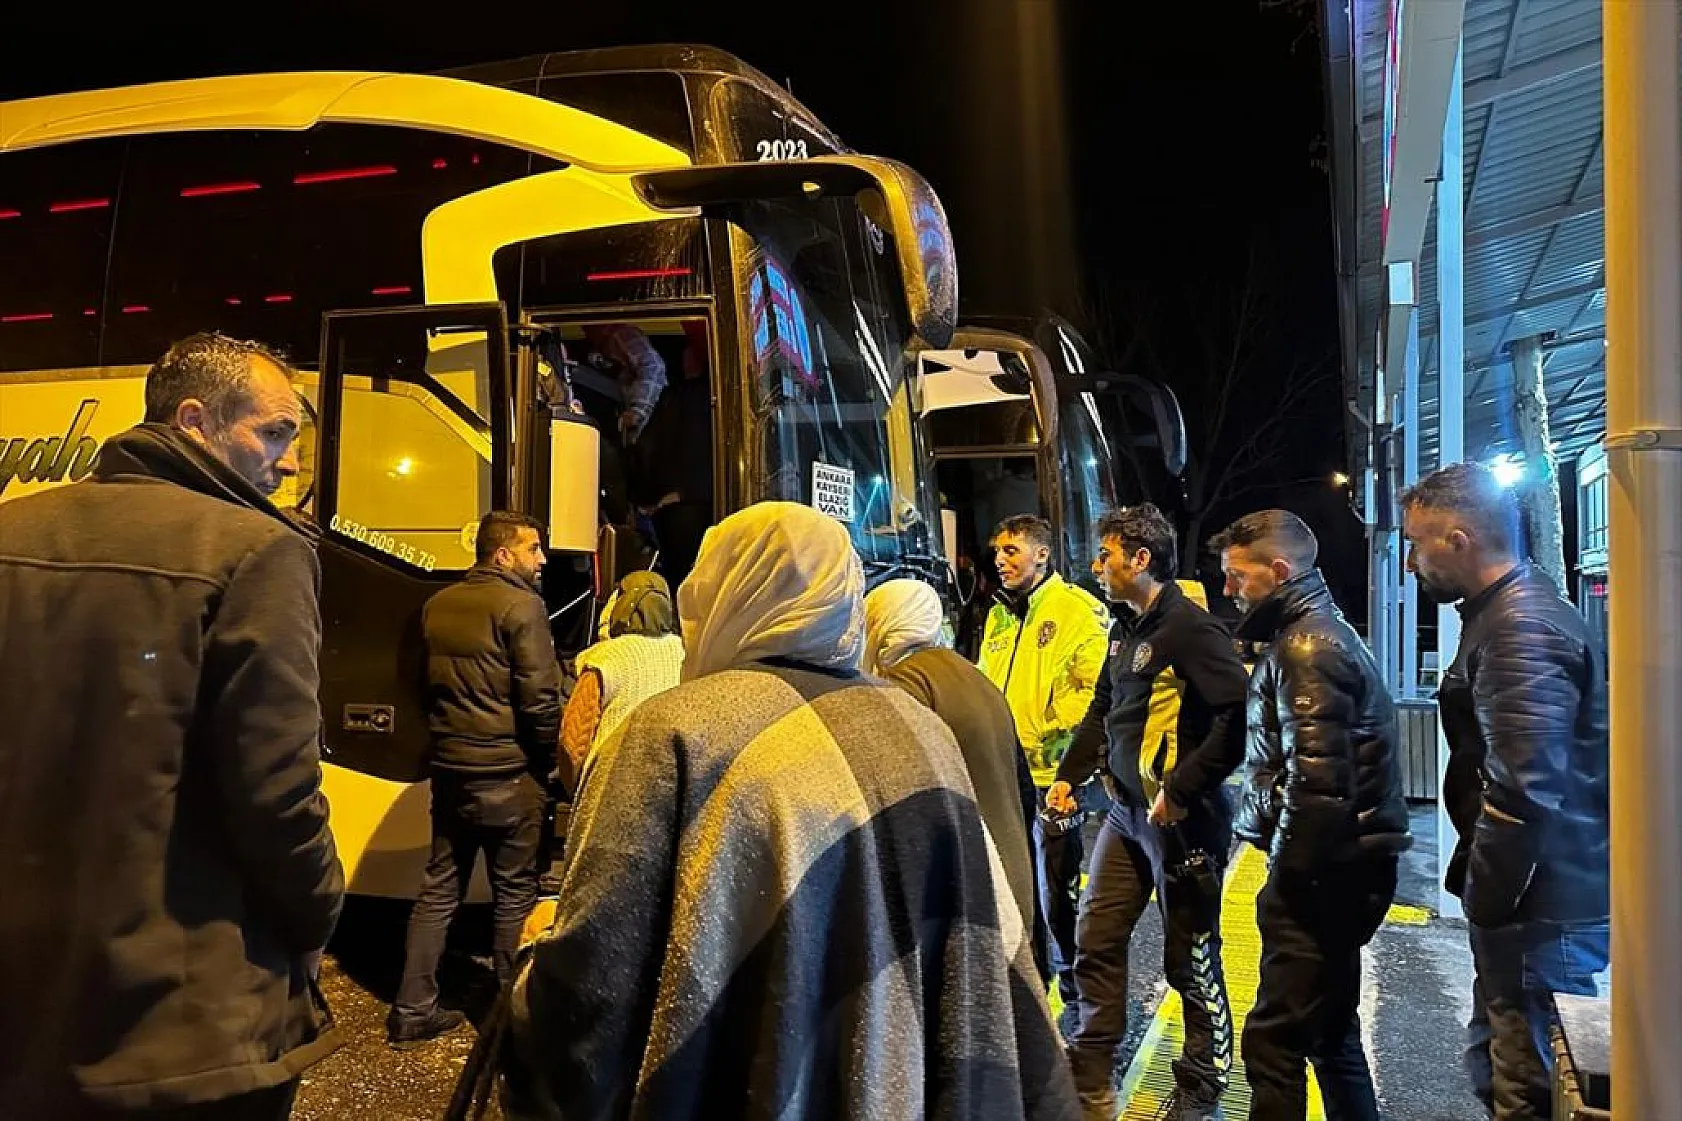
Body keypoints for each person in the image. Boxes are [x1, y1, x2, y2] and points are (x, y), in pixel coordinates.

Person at [505, 502, 1077, 1120]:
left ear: (722, 594)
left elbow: (593, 979)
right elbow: (981, 954)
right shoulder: (917, 727)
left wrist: (531, 966)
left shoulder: (673, 732)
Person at [0, 332, 343, 1120]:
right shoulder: (258, 552)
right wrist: (317, 916)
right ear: (196, 419)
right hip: (185, 1027)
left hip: (28, 1005)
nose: (290, 462)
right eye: (277, 431)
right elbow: (280, 794)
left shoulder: (14, 529)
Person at [1400, 463, 1609, 1121]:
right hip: (1540, 901)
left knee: (1530, 1091)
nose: (1410, 561)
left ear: (1457, 538)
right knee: (1509, 1073)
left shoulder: (1518, 629)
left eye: (1417, 543)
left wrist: (1486, 902)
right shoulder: (1514, 608)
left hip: (1540, 910)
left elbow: (1523, 793)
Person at [1048, 504, 1249, 1121]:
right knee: (1096, 939)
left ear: (1140, 559)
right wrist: (1068, 776)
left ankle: (1201, 1086)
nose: (1095, 566)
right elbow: (1105, 708)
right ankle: (1090, 1074)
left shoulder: (1190, 629)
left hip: (1180, 823)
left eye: (1105, 554)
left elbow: (1238, 716)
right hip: (1123, 815)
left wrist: (1182, 789)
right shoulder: (1124, 627)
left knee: (1189, 957)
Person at [1210, 510, 1411, 1121]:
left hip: (1322, 876)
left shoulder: (1305, 646)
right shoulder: (1320, 633)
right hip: (1350, 869)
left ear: (1277, 571)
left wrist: (1286, 886)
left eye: (1237, 576)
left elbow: (1318, 790)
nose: (1228, 590)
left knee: (1273, 1042)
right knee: (1328, 1029)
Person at [388, 511, 562, 1047]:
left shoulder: (438, 604)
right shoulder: (522, 607)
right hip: (510, 776)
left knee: (440, 889)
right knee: (514, 895)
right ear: (503, 554)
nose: (543, 560)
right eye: (534, 549)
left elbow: (419, 685)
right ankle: (512, 1020)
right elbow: (540, 700)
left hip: (453, 772)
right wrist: (546, 762)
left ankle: (410, 1010)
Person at [977, 513, 1110, 1000]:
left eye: (1011, 551)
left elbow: (1098, 690)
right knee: (1015, 882)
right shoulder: (999, 613)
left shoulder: (1076, 610)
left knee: (1059, 890)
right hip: (1005, 772)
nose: (1001, 560)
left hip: (1055, 777)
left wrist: (1047, 719)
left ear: (1042, 553)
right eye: (997, 552)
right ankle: (1033, 981)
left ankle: (1078, 991)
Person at [864, 577, 1040, 940]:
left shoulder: (905, 686)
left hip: (965, 898)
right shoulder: (975, 677)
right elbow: (1024, 792)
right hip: (1011, 884)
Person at [558, 570, 685, 793]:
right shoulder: (687, 654)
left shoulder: (604, 657)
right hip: (670, 791)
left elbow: (574, 744)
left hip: (611, 789)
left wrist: (575, 792)